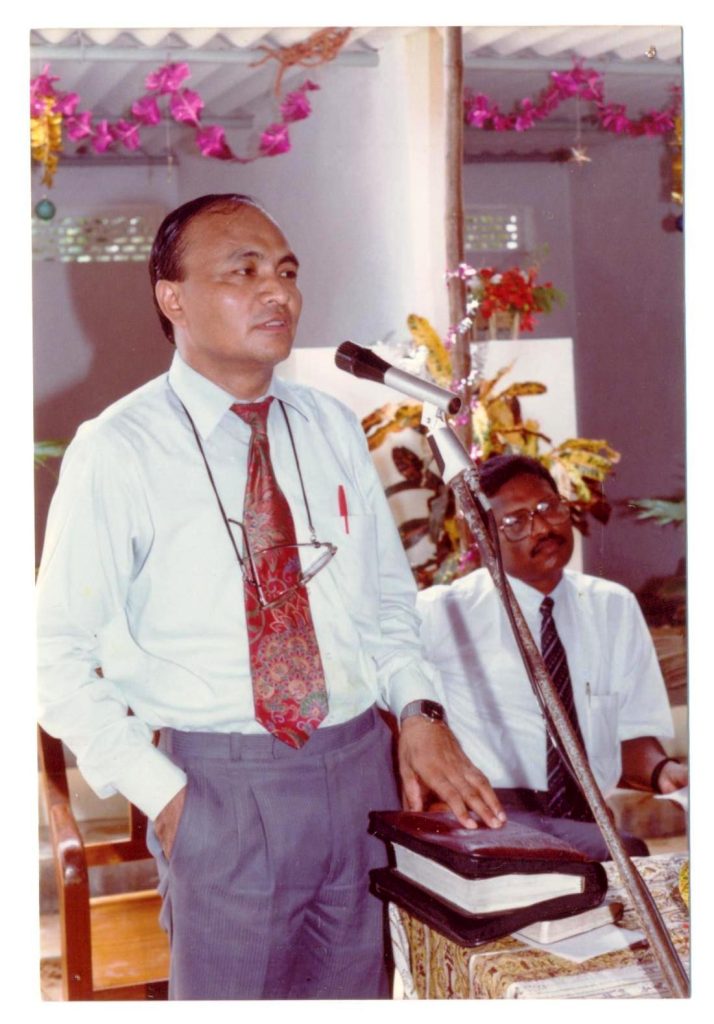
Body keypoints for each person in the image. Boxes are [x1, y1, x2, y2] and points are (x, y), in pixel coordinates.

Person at [36, 193, 505, 1000]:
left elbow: (386, 605)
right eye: (243, 271)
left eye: (287, 271)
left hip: (360, 773)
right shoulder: (117, 449)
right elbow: (52, 656)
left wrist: (419, 713)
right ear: (173, 298)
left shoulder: (331, 426)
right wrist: (167, 798)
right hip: (220, 785)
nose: (277, 292)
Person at [417, 453, 687, 860]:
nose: (542, 527)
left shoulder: (613, 606)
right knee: (620, 858)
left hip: (587, 819)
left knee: (635, 863)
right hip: (491, 816)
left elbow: (633, 738)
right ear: (481, 536)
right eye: (516, 521)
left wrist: (665, 772)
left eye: (548, 507)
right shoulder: (442, 612)